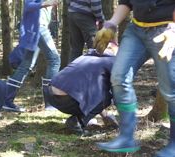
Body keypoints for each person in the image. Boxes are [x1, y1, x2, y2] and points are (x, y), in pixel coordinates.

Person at [94, 1, 175, 156]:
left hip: (168, 32)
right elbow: (127, 2)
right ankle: (126, 137)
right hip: (136, 30)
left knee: (170, 90)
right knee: (118, 76)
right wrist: (111, 24)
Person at [44, 42, 119, 133]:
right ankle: (77, 121)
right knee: (108, 97)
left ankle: (80, 119)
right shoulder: (112, 61)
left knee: (98, 94)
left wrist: (105, 115)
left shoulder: (85, 56)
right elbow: (118, 91)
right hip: (68, 99)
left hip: (50, 94)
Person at [3, 0, 61, 112]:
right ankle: (51, 103)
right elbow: (28, 6)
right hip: (38, 28)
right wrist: (46, 3)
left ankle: (6, 100)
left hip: (36, 29)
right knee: (54, 60)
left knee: (26, 65)